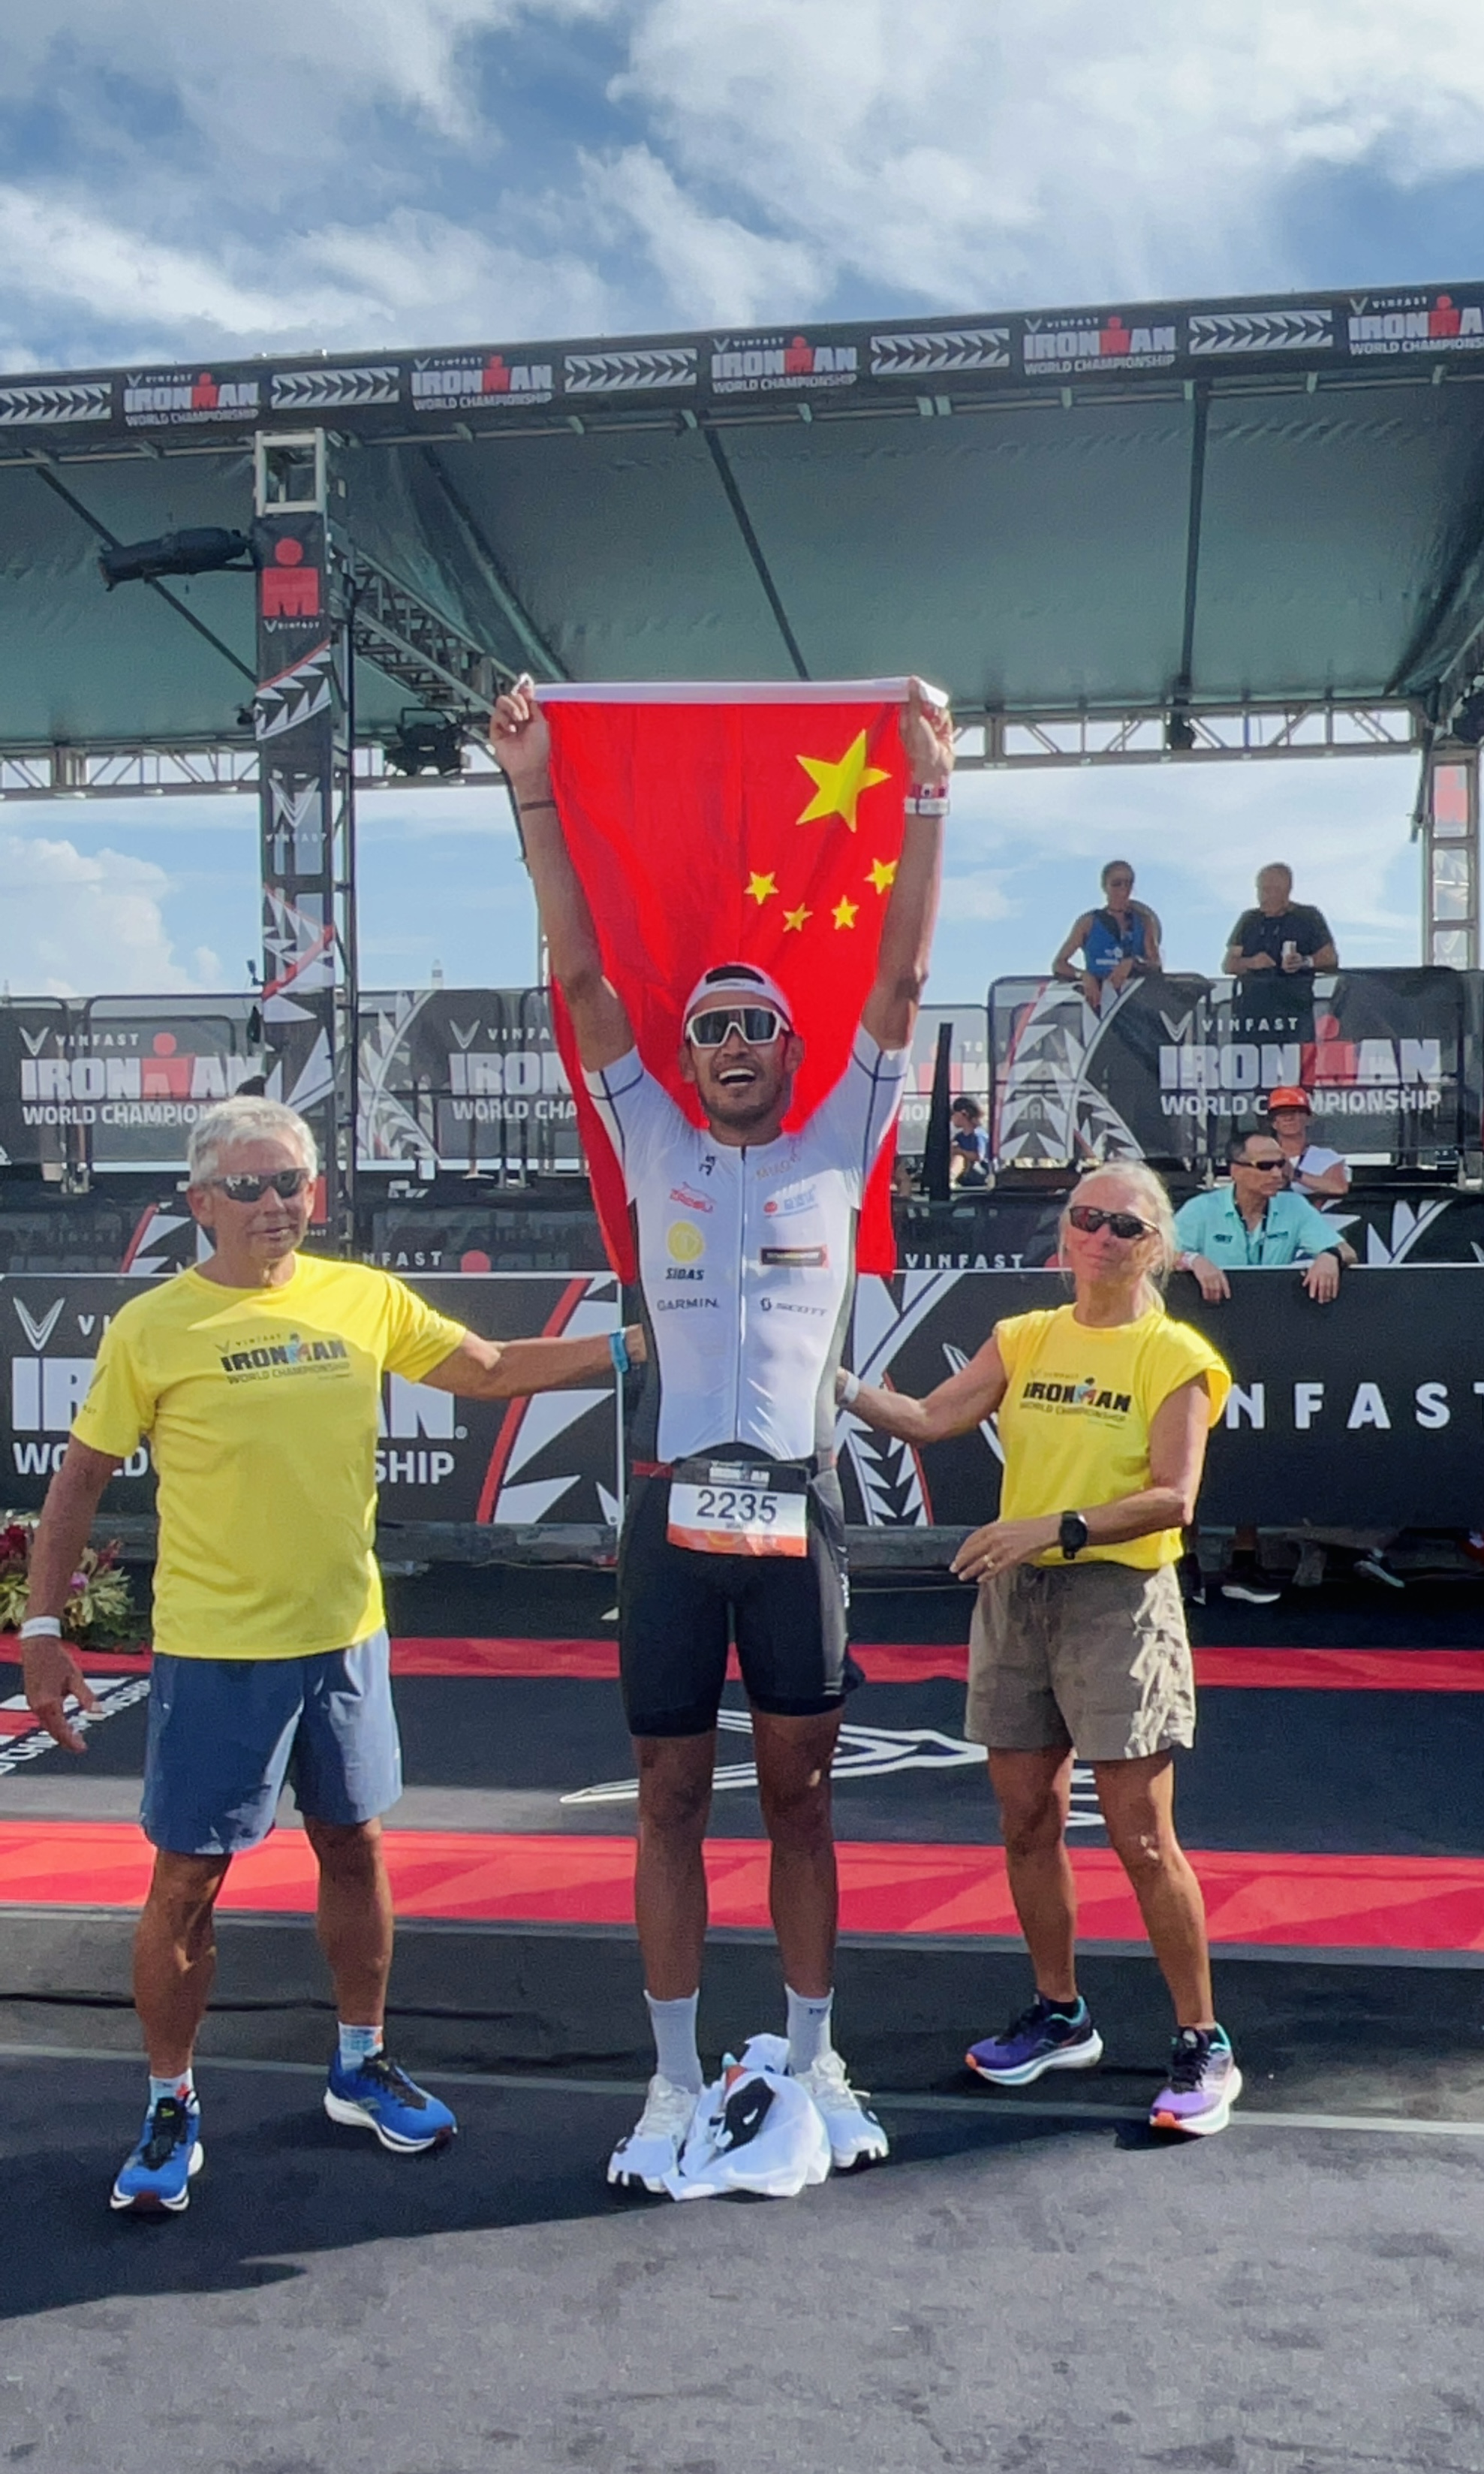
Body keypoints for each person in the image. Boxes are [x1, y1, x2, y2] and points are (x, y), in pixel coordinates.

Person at [491, 671, 953, 2189]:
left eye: (759, 1023)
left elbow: (901, 974)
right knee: (671, 1801)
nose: (738, 1041)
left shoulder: (837, 1135)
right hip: (673, 1519)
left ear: (789, 1049)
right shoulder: (651, 1137)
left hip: (798, 1518)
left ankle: (813, 2055)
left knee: (805, 1800)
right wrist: (533, 790)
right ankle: (671, 2079)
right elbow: (578, 975)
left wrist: (929, 791)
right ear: (686, 1061)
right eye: (713, 1029)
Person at [20, 1094, 643, 2216]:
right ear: (201, 1202)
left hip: (345, 1642)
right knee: (187, 1883)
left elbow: (490, 1367)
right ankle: (169, 2099)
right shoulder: (152, 1327)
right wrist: (43, 1630)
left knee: (356, 1848)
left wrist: (636, 1345)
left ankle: (361, 2061)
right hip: (216, 1653)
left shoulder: (361, 1295)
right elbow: (77, 1485)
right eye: (248, 1186)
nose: (274, 1204)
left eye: (291, 1183)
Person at [838, 1163, 1241, 2136]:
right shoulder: (1024, 1335)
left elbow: (1174, 1497)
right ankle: (1061, 2013)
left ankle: (1204, 2039)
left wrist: (1052, 1527)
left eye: (1124, 1224)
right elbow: (928, 1417)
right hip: (1017, 1596)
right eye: (1086, 1218)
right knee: (1027, 1819)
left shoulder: (1175, 1353)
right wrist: (830, 1379)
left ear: (1157, 1245)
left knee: (1142, 1836)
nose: (1101, 1235)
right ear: (1064, 1232)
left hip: (1117, 1598)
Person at [1174, 1129, 1344, 1605]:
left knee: (1251, 1445)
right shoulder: (1201, 1210)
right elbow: (1157, 1253)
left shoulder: (1293, 1208)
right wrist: (1193, 1260)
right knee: (1192, 1447)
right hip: (1198, 1346)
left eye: (1281, 1164)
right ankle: (1186, 1561)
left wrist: (1328, 1257)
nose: (1278, 1173)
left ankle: (1243, 1562)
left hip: (1263, 1347)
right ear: (1236, 1171)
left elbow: (1343, 1249)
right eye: (1266, 1165)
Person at [1221, 864, 1337, 1026]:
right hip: (1251, 1015)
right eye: (1260, 889)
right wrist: (1251, 963)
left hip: (1295, 1014)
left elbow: (1330, 958)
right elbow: (1228, 965)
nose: (1263, 896)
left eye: (1270, 890)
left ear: (1286, 890)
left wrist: (1304, 962)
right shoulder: (1249, 920)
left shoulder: (1308, 917)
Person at [1051, 861, 1162, 1012]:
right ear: (1105, 887)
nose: (1123, 889)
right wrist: (1083, 976)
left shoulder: (1144, 921)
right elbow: (1059, 963)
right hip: (1097, 1004)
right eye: (1117, 884)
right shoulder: (1089, 922)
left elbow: (1156, 964)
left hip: (1135, 1004)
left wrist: (1133, 963)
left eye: (1128, 884)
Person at [1265, 1085, 1350, 1199]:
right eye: (1282, 1113)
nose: (1289, 1118)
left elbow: (1339, 1188)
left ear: (1308, 1119)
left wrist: (1295, 1174)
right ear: (1274, 1123)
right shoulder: (1262, 1158)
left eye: (1295, 1112)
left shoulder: (1326, 1157)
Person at [950, 1095, 991, 1187]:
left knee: (959, 1157)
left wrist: (960, 1152)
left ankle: (950, 1178)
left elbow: (979, 1157)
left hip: (980, 1172)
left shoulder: (979, 1134)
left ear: (964, 1114)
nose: (952, 1118)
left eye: (953, 1114)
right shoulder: (959, 1137)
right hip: (965, 1173)